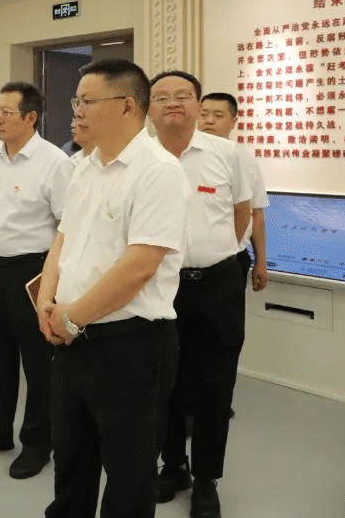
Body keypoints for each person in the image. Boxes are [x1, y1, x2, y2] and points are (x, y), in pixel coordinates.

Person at [37, 58, 186, 518]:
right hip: (72, 340)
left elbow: (139, 267)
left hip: (130, 346)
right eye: (76, 101)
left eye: (87, 100)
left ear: (126, 106)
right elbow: (64, 237)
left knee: (128, 474)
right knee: (71, 460)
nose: (77, 110)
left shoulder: (158, 171)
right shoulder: (85, 166)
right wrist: (45, 299)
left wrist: (70, 317)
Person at [150, 71, 251, 518]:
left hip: (216, 285)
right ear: (148, 107)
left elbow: (242, 213)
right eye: (162, 96)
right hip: (159, 285)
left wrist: (215, 254)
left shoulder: (229, 154)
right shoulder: (140, 158)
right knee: (163, 380)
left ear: (197, 104)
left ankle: (207, 478)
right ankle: (173, 466)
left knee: (215, 384)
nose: (173, 102)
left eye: (183, 95)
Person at [0, 81, 72, 480]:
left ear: (30, 117)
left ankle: (38, 443)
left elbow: (67, 227)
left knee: (38, 364)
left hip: (30, 273)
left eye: (6, 112)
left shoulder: (55, 162)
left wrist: (52, 286)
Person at [199, 92, 269, 293]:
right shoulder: (184, 156)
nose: (209, 121)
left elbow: (256, 213)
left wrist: (261, 262)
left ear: (233, 121)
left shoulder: (244, 159)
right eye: (204, 115)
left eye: (218, 115)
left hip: (229, 260)